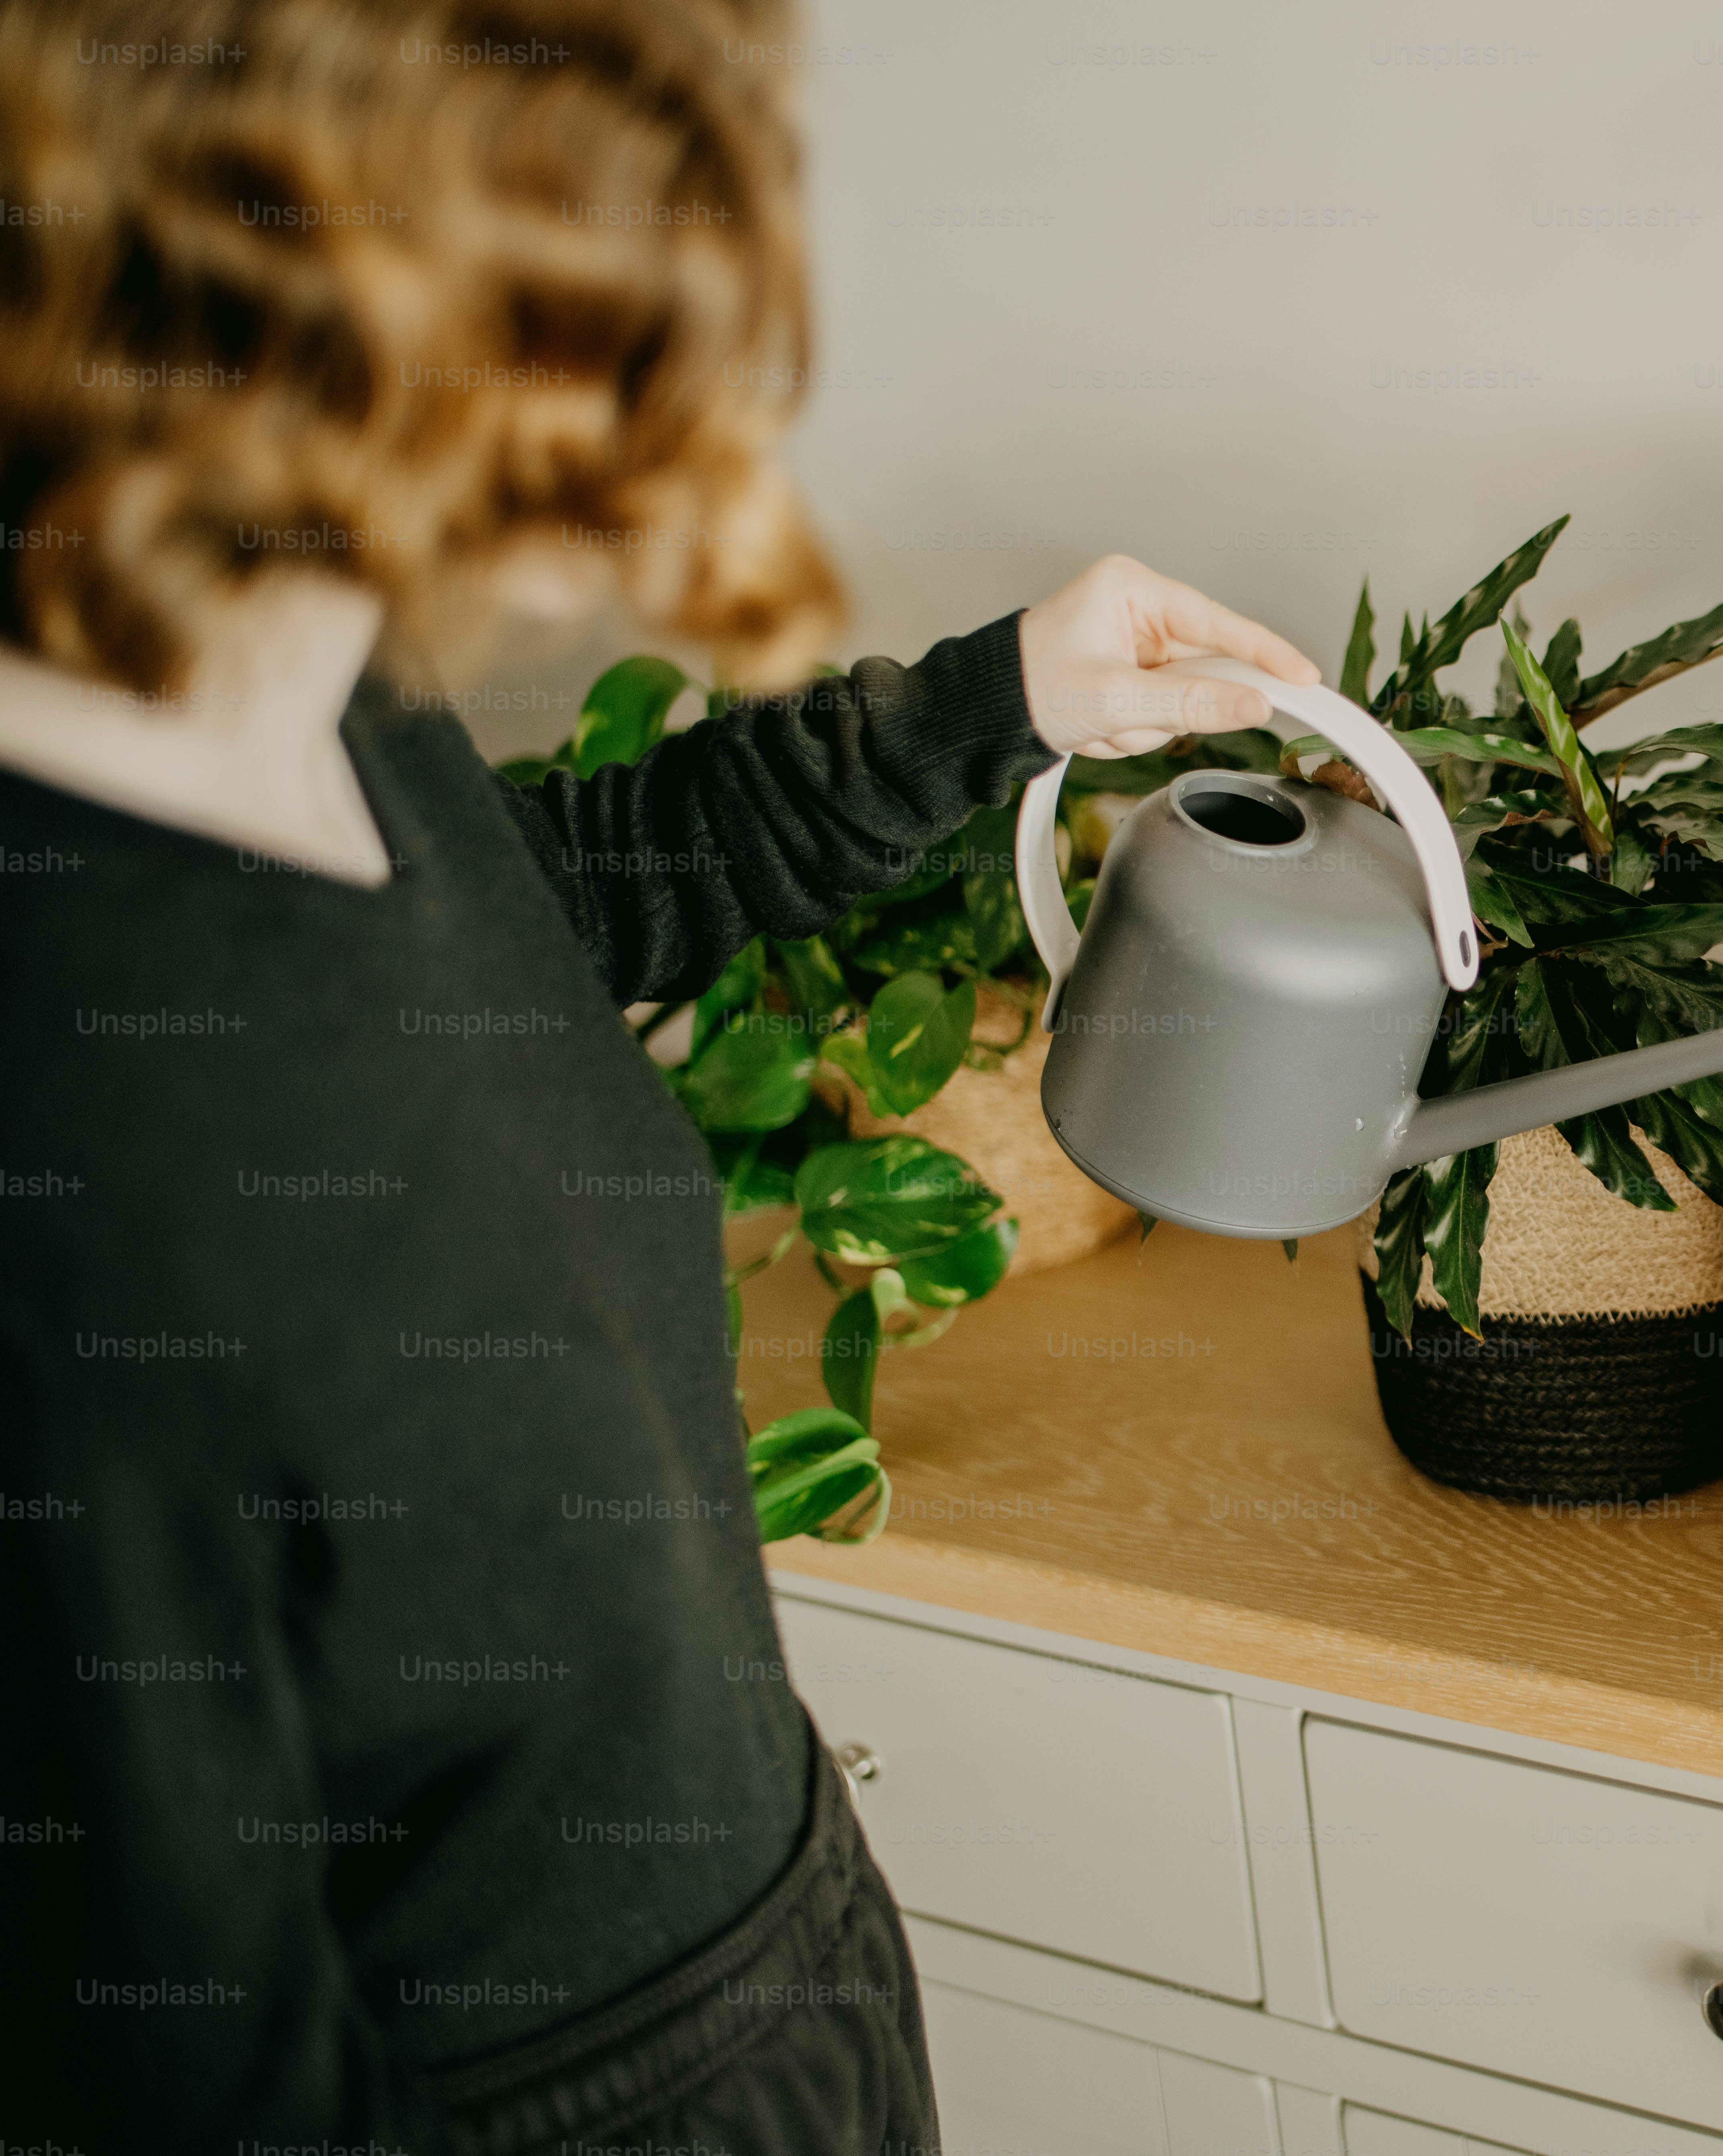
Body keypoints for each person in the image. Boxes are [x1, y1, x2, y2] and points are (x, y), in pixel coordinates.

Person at [0, 2, 1316, 2147]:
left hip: (760, 1989)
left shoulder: (287, 696)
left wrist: (1009, 700)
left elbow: (545, 904)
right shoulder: (73, 1163)